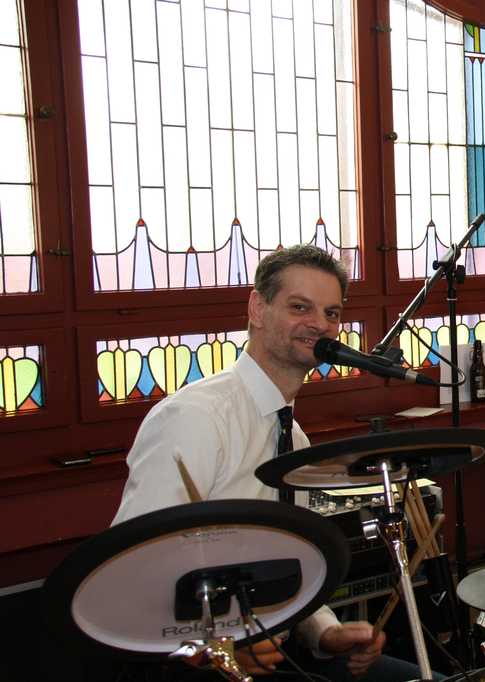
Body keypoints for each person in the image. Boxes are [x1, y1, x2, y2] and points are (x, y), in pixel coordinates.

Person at [112, 245, 425, 681]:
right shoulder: (195, 418)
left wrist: (326, 632)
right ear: (257, 309)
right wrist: (214, 650)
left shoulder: (292, 436)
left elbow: (287, 567)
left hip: (280, 649)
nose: (320, 324)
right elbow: (131, 571)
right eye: (300, 307)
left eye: (332, 313)